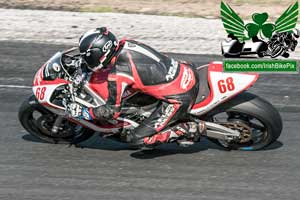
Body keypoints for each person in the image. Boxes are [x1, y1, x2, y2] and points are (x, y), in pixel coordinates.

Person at [68, 27, 204, 147]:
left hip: (179, 97)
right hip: (186, 70)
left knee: (136, 139)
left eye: (89, 57)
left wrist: (85, 113)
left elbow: (111, 112)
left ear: (99, 54)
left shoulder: (118, 74)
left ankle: (186, 128)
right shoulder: (127, 43)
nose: (87, 60)